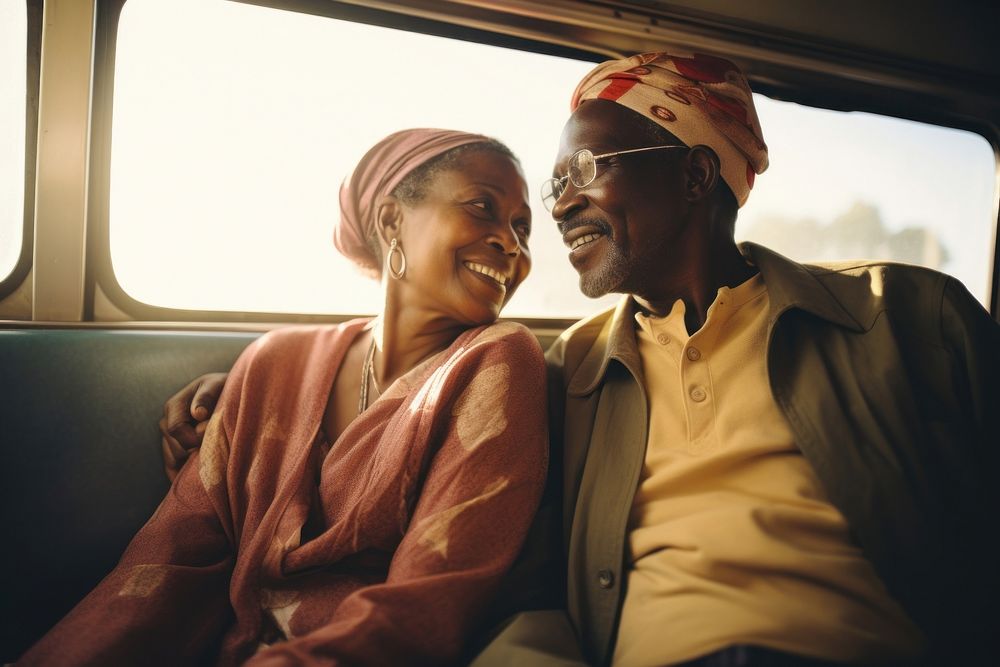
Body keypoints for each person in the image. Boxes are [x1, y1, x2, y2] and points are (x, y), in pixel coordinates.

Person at [162, 52, 1000, 667]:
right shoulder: (564, 374)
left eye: (582, 171)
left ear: (698, 175)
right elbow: (431, 392)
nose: (557, 209)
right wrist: (244, 387)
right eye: (552, 185)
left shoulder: (909, 319)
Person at [19, 129, 548, 666]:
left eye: (522, 227)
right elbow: (170, 562)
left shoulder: (500, 358)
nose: (511, 242)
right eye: (483, 207)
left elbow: (429, 603)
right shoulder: (274, 360)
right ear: (392, 221)